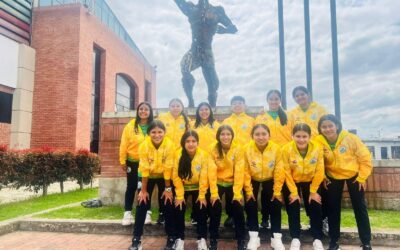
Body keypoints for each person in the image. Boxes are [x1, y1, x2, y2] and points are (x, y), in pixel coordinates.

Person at [315, 114, 373, 250]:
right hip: (332, 176)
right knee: (333, 209)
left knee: (360, 208)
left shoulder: (351, 138)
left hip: (354, 175)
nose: (327, 129)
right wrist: (323, 176)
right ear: (320, 128)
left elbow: (365, 158)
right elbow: (317, 161)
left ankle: (366, 242)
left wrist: (362, 177)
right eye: (324, 127)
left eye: (330, 126)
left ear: (337, 126)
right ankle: (334, 241)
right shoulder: (317, 140)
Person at [174, 0, 238, 107]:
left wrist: (225, 30)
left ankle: (212, 104)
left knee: (212, 83)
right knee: (184, 66)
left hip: (207, 51)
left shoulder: (217, 11)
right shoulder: (191, 9)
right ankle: (191, 100)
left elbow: (233, 29)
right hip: (194, 50)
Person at [129, 120, 175, 250]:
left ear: (164, 133)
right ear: (149, 133)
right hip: (146, 176)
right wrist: (143, 190)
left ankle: (171, 238)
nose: (157, 135)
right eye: (153, 132)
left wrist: (167, 189)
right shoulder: (144, 145)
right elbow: (144, 168)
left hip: (164, 177)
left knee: (167, 204)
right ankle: (136, 239)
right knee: (142, 203)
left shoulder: (170, 145)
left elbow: (168, 167)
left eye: (160, 132)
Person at [169, 130, 216, 250]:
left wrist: (201, 196)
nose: (191, 144)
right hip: (182, 187)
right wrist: (179, 196)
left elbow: (204, 176)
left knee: (201, 210)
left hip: (198, 188)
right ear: (183, 143)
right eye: (188, 141)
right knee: (178, 209)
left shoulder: (204, 155)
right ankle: (179, 239)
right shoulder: (177, 154)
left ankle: (202, 239)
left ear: (198, 142)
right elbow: (175, 175)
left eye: (193, 141)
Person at [282, 123, 325, 250]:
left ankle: (317, 238)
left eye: (304, 136)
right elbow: (286, 171)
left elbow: (319, 170)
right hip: (292, 181)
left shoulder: (317, 148)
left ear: (310, 136)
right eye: (298, 136)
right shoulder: (286, 149)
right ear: (292, 136)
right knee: (293, 206)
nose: (301, 139)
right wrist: (293, 192)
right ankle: (295, 237)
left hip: (311, 181)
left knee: (315, 206)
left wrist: (313, 191)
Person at [243, 124, 286, 250]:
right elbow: (244, 170)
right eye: (257, 134)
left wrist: (277, 190)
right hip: (252, 178)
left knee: (276, 203)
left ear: (269, 135)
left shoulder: (277, 149)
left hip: (270, 178)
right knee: (250, 203)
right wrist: (248, 190)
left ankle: (276, 237)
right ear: (252, 136)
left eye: (264, 134)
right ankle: (254, 236)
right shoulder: (246, 149)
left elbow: (279, 169)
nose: (260, 137)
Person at [255, 89, 291, 229]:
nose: (274, 101)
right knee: (267, 192)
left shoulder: (289, 116)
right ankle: (265, 219)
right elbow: (256, 135)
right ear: (267, 101)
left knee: (287, 190)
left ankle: (293, 221)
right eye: (271, 99)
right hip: (268, 159)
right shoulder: (261, 117)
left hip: (286, 158)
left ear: (280, 100)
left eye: (276, 99)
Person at [208, 125, 247, 250]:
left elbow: (240, 172)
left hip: (232, 183)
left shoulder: (238, 149)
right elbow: (211, 172)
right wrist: (214, 193)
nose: (225, 137)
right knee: (215, 209)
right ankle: (213, 239)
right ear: (218, 136)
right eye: (222, 134)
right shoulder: (213, 149)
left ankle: (241, 239)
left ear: (232, 136)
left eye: (228, 134)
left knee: (238, 209)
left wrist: (237, 193)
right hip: (217, 182)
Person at [119, 102, 153, 226]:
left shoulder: (153, 125)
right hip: (132, 162)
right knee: (132, 187)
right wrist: (122, 160)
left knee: (144, 187)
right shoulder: (130, 125)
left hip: (148, 162)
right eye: (141, 109)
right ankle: (127, 213)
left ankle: (146, 212)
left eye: (146, 109)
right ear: (138, 111)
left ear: (150, 112)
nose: (143, 111)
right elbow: (124, 144)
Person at [222, 96, 254, 227]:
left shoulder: (251, 120)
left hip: (248, 158)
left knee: (248, 186)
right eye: (234, 103)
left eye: (240, 103)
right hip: (231, 159)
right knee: (231, 188)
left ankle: (248, 215)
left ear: (244, 105)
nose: (237, 105)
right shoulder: (226, 121)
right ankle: (231, 215)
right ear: (231, 106)